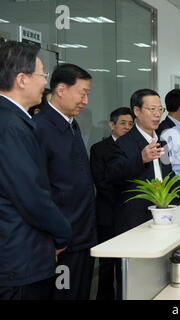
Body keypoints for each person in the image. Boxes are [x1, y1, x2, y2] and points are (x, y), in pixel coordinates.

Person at [0, 41, 71, 300]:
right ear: (22, 79)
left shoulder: (13, 120)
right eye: (42, 75)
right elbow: (31, 196)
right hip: (20, 259)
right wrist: (62, 234)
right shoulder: (11, 127)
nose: (45, 83)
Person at [34, 63, 97, 300]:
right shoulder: (40, 128)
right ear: (61, 89)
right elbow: (39, 189)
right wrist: (54, 237)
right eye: (82, 93)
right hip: (62, 240)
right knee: (64, 295)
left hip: (83, 233)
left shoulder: (71, 124)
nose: (86, 100)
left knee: (81, 292)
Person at [106, 89, 180, 236]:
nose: (157, 114)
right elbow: (113, 175)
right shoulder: (123, 143)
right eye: (152, 109)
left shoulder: (161, 142)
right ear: (137, 111)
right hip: (135, 219)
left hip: (162, 215)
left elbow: (167, 175)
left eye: (160, 109)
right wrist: (141, 159)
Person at [89, 107, 133, 300]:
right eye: (123, 123)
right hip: (108, 214)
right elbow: (101, 182)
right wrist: (126, 198)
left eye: (131, 124)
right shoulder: (98, 149)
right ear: (111, 124)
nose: (127, 127)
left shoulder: (135, 148)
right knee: (106, 269)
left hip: (130, 217)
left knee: (127, 268)